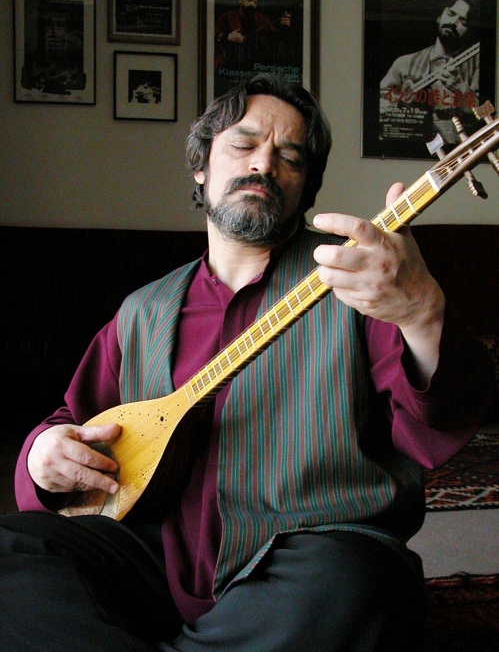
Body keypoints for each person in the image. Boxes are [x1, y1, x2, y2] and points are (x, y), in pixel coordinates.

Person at [0, 73, 495, 651]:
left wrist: (422, 312)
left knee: (355, 584)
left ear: (306, 187)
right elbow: (74, 420)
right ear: (201, 166)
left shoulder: (359, 288)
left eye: (291, 157)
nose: (264, 164)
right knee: (13, 550)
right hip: (159, 555)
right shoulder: (143, 311)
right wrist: (43, 455)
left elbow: (440, 417)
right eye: (244, 144)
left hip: (305, 557)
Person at [380, 0, 479, 145]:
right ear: (439, 17)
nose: (453, 22)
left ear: (470, 31)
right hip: (412, 149)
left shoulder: (477, 64)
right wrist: (403, 103)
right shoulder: (404, 63)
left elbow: (485, 115)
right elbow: (380, 109)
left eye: (463, 22)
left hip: (461, 153)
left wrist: (460, 87)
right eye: (451, 14)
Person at [214, 0, 293, 95]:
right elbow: (213, 36)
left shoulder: (261, 18)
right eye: (249, 0)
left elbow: (274, 37)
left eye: (255, 2)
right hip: (232, 66)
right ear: (240, 0)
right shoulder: (227, 17)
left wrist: (285, 27)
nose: (252, 4)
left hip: (255, 66)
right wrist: (228, 36)